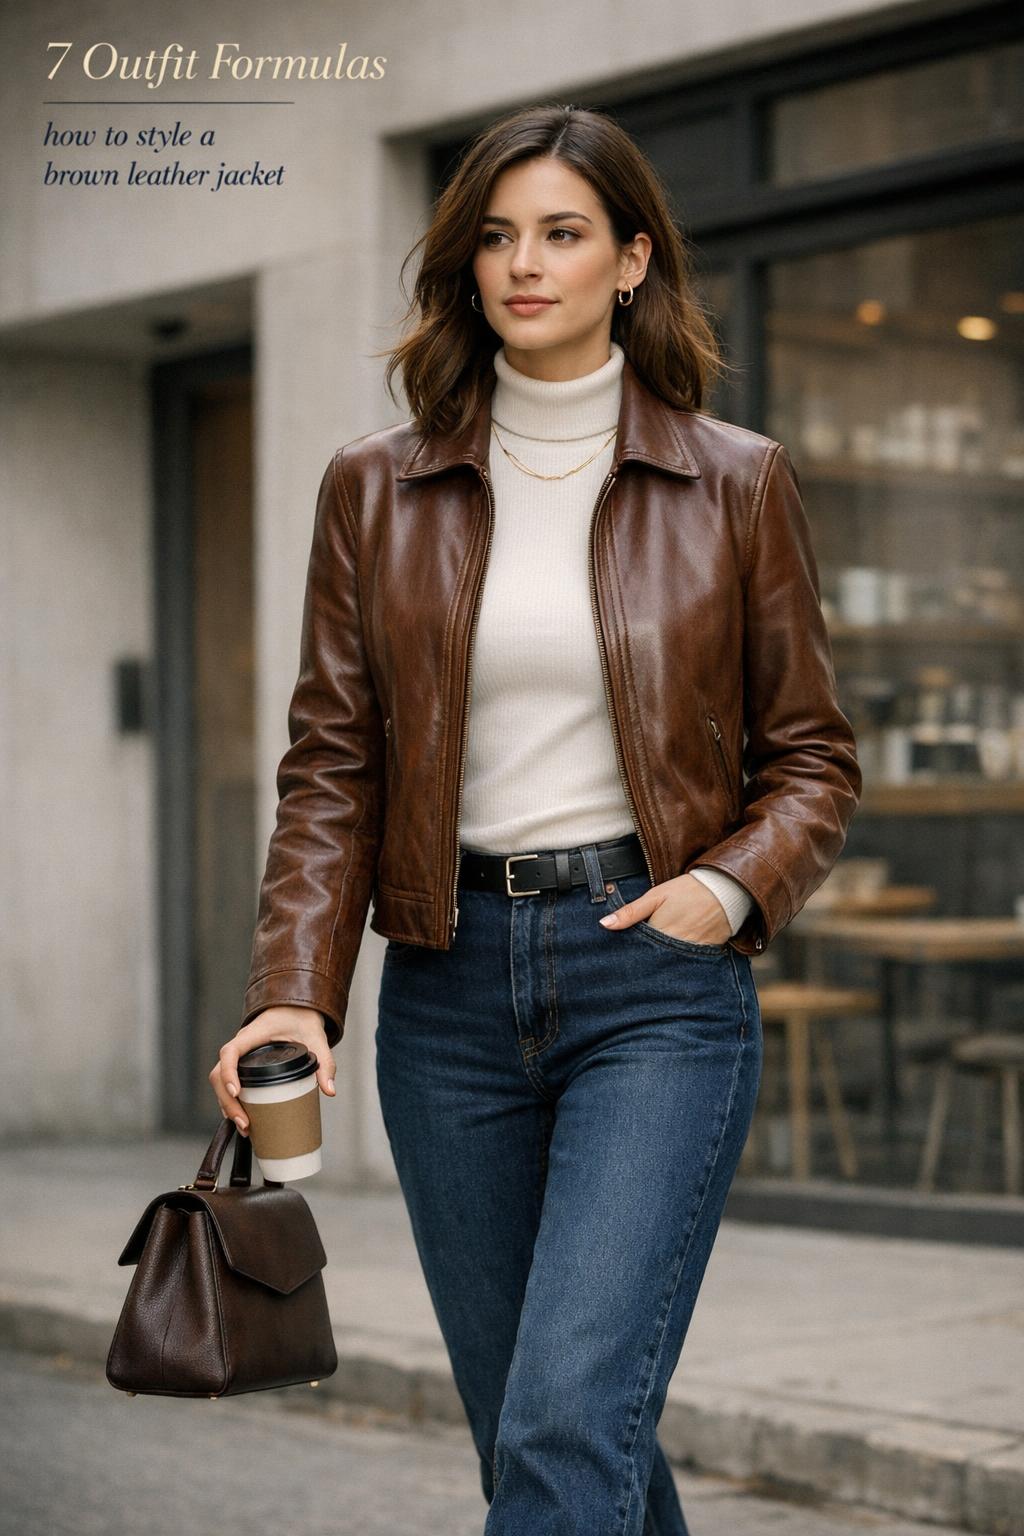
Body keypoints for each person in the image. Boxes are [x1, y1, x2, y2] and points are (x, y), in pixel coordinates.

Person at [211, 103, 861, 1536]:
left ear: (632, 258)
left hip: (655, 982)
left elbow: (813, 757)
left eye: (564, 234)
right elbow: (333, 763)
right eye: (496, 236)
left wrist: (730, 890)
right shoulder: (375, 487)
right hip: (445, 996)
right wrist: (291, 996)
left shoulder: (733, 480)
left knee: (571, 1414)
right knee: (544, 1430)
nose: (526, 264)